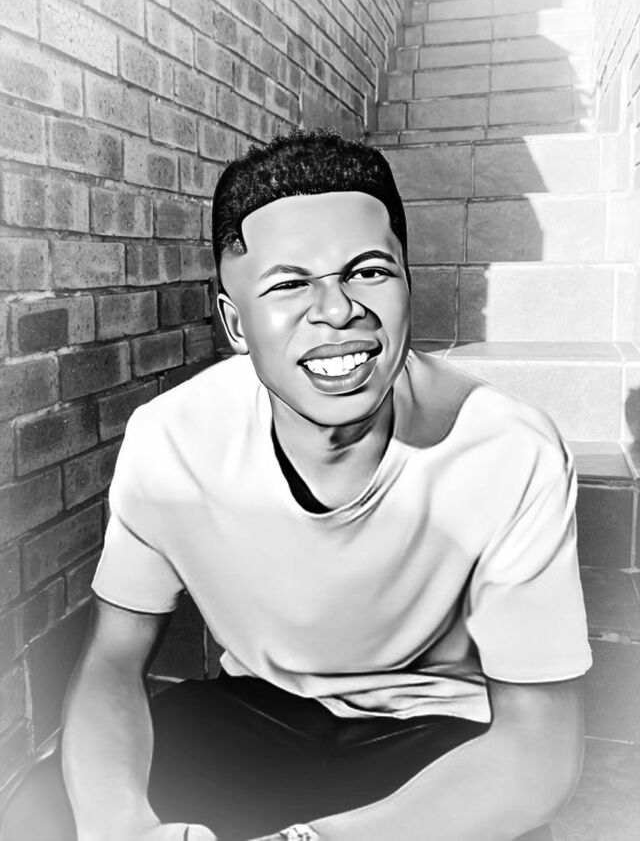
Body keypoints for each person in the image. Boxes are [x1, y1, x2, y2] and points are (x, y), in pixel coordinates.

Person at [61, 129, 592, 841]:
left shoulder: (508, 450)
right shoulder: (171, 439)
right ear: (235, 322)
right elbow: (112, 662)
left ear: (409, 282)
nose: (338, 310)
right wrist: (118, 826)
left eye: (368, 271)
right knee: (44, 810)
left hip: (438, 734)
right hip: (256, 712)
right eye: (289, 284)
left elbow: (541, 746)